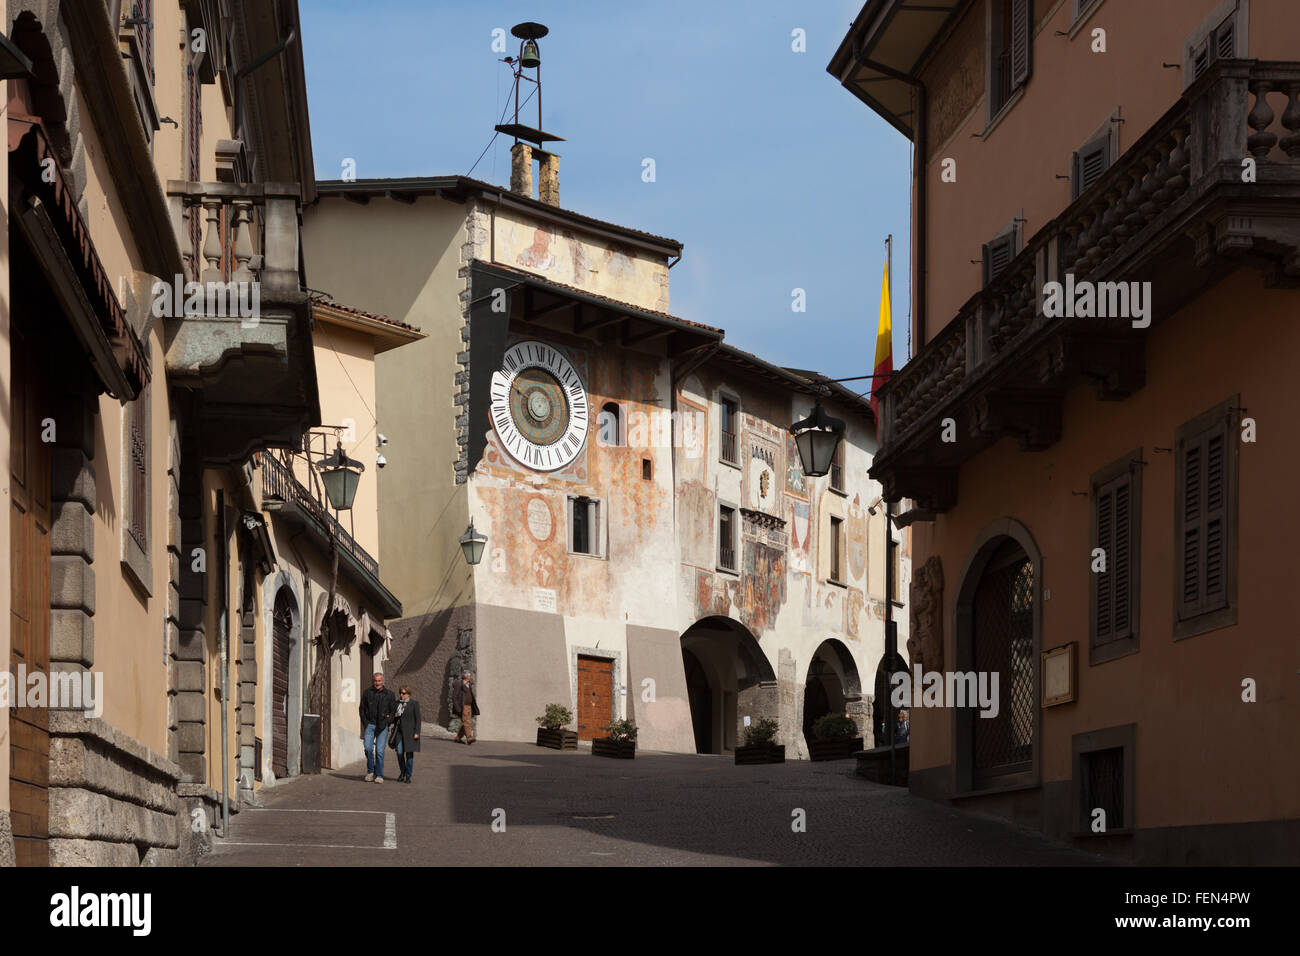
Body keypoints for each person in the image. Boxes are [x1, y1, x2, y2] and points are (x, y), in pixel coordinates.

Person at [358, 672, 396, 783]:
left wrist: (388, 721)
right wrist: (365, 722)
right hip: (370, 725)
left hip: (382, 726)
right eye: (375, 681)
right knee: (368, 748)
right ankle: (370, 771)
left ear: (383, 681)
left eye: (379, 681)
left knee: (379, 752)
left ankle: (379, 775)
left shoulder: (390, 694)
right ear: (373, 681)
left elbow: (393, 711)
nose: (377, 683)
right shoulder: (367, 693)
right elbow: (361, 709)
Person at [391, 685, 421, 783]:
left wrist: (417, 732)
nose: (401, 695)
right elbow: (393, 717)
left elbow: (418, 719)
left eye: (403, 693)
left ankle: (408, 775)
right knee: (399, 753)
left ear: (408, 694)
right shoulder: (397, 704)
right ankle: (403, 772)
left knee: (409, 755)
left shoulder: (414, 704)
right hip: (399, 732)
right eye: (400, 693)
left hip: (410, 733)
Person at [453, 671, 479, 745]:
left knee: (466, 722)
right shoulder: (459, 684)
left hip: (469, 706)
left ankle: (458, 738)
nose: (470, 677)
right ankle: (469, 738)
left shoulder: (468, 684)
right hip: (463, 706)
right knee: (466, 722)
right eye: (469, 676)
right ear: (467, 677)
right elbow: (454, 697)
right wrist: (457, 707)